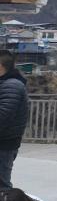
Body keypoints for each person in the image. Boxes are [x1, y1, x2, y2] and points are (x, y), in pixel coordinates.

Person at [0, 50, 30, 189]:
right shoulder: (6, 83)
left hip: (4, 144)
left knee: (2, 185)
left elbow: (3, 116)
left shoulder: (12, 85)